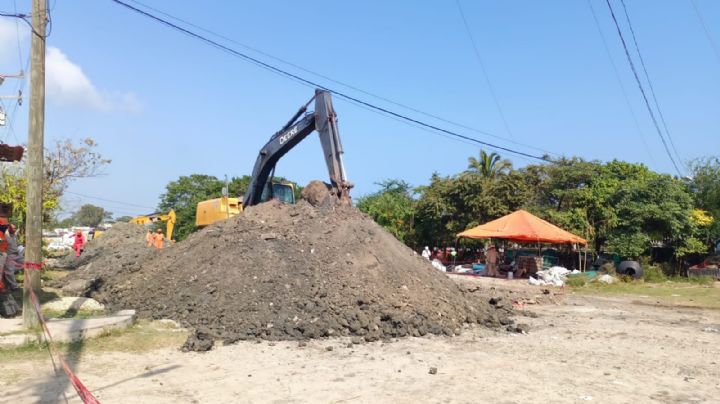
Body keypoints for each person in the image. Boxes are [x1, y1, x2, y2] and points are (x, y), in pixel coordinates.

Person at [3, 224, 23, 291]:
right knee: (9, 271)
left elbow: (17, 231)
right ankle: (14, 286)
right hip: (10, 255)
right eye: (13, 228)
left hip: (17, 254)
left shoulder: (14, 234)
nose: (14, 230)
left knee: (26, 263)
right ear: (9, 228)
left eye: (15, 228)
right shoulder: (6, 235)